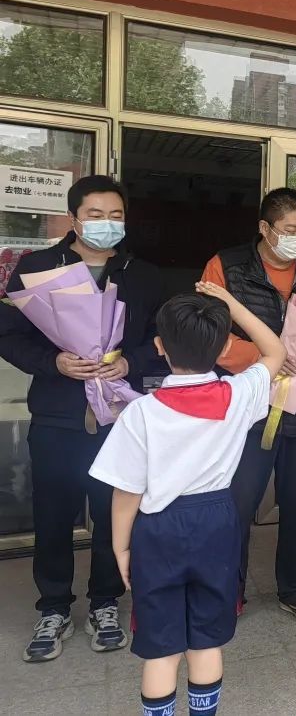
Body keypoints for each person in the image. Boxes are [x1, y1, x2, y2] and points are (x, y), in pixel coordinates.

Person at [89, 283, 285, 716]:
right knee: (207, 640)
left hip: (159, 527)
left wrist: (121, 547)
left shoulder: (142, 412)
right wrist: (232, 305)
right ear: (223, 348)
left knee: (161, 648)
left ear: (160, 346)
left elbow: (127, 491)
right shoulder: (239, 394)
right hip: (218, 521)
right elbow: (275, 351)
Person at [0, 176, 164, 663]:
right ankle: (53, 607)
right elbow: (9, 336)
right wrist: (53, 362)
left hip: (120, 416)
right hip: (58, 413)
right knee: (53, 514)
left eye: (115, 215)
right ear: (73, 218)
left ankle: (105, 602)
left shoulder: (142, 274)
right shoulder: (36, 269)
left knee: (114, 511)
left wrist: (130, 362)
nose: (106, 223)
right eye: (95, 214)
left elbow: (161, 338)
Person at [200, 188, 296, 627]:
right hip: (248, 406)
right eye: (289, 230)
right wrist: (267, 359)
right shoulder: (227, 266)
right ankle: (227, 591)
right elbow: (210, 331)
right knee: (237, 503)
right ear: (264, 228)